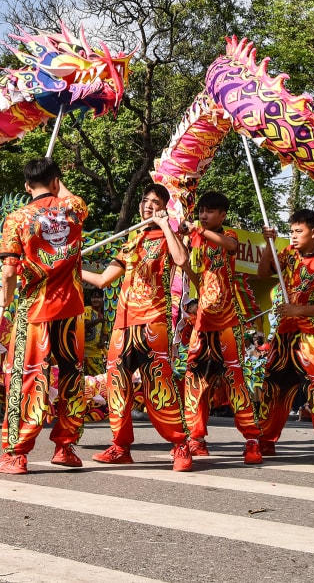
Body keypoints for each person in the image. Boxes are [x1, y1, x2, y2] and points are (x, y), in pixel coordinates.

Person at [81, 183, 193, 471]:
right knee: (116, 385)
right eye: (145, 201)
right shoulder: (131, 240)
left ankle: (180, 445)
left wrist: (166, 224)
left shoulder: (170, 236)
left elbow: (182, 261)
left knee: (160, 384)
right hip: (123, 323)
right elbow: (104, 279)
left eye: (155, 202)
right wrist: (72, 267)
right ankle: (120, 446)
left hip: (153, 322)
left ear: (164, 207)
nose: (148, 206)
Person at [0, 158, 89, 475]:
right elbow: (69, 197)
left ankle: (16, 454)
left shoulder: (17, 219)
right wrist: (58, 186)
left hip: (35, 311)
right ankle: (66, 446)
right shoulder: (74, 209)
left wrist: (4, 296)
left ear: (25, 186)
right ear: (57, 182)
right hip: (71, 309)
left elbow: (8, 271)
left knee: (27, 376)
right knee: (72, 376)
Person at [255, 209, 314, 463]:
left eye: (299, 231)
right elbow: (264, 273)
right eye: (291, 231)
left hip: (308, 335)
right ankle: (265, 439)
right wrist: (268, 244)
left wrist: (299, 310)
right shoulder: (287, 254)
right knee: (274, 386)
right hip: (283, 334)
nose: (293, 236)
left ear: (313, 233)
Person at [180, 191, 264, 464]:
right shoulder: (195, 236)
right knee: (195, 378)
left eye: (211, 211)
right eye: (202, 210)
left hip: (228, 320)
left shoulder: (228, 234)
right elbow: (186, 265)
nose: (204, 215)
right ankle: (195, 438)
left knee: (235, 380)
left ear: (223, 215)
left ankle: (252, 440)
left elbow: (229, 246)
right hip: (202, 321)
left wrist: (201, 230)